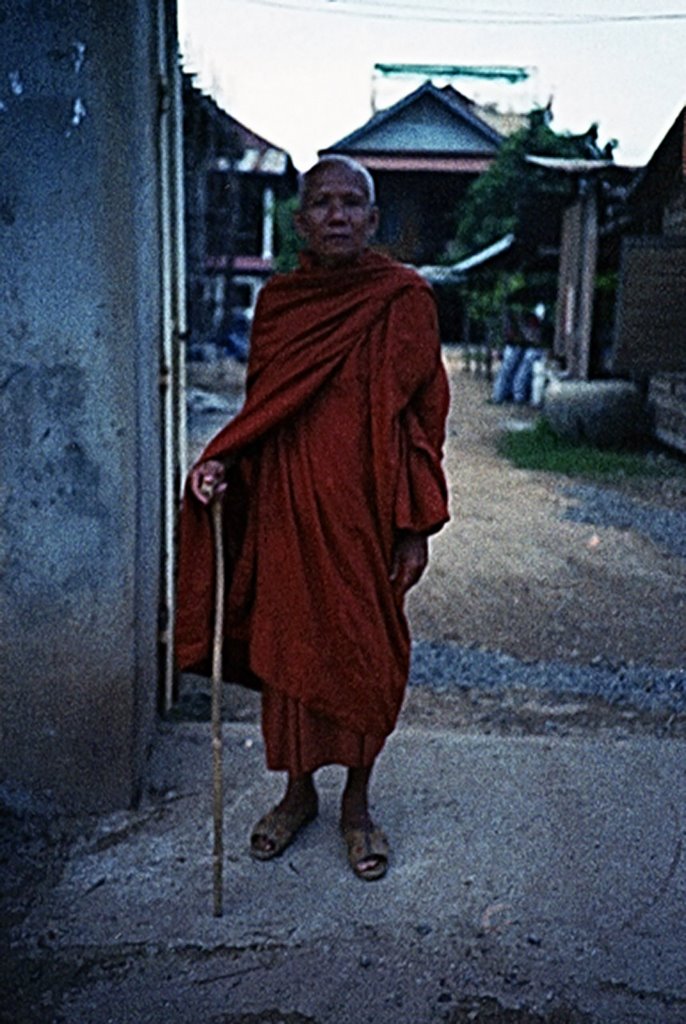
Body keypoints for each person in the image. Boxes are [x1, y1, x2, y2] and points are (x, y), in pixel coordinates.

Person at [176, 155, 449, 881]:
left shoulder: (405, 299)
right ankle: (297, 795)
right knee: (291, 650)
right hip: (289, 507)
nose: (336, 215)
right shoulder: (281, 305)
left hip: (368, 513)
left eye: (351, 203)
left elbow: (426, 420)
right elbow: (263, 411)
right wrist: (221, 464)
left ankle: (357, 806)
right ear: (298, 220)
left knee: (369, 655)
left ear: (373, 219)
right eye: (322, 203)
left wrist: (414, 525)